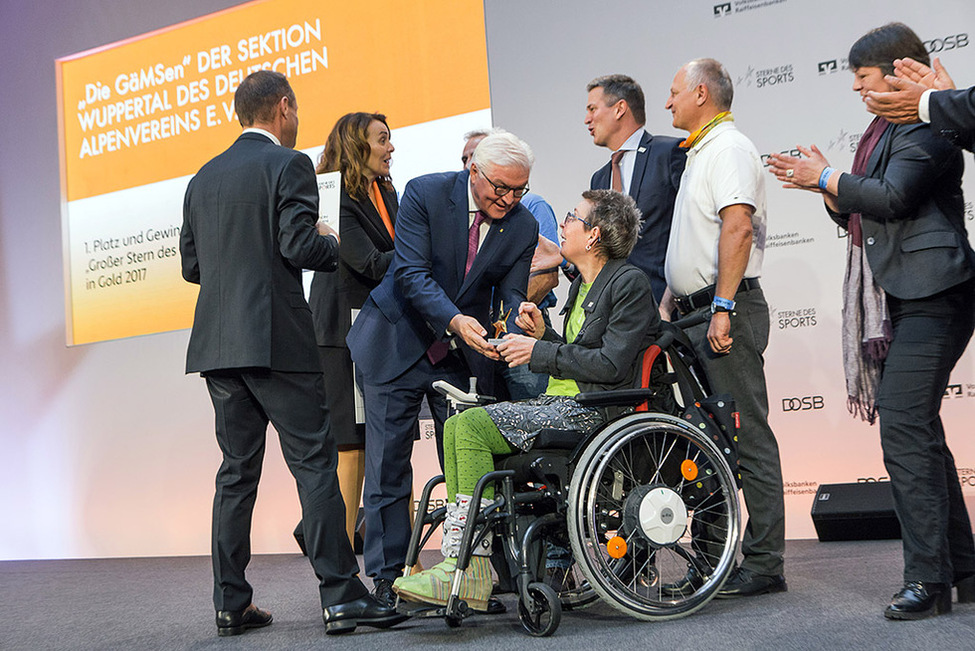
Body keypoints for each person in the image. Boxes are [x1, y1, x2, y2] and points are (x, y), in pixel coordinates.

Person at [179, 70, 403, 636]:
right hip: (277, 339)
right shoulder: (290, 164)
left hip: (217, 346)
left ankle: (231, 602)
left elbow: (191, 267)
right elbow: (299, 247)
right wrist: (329, 240)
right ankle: (341, 594)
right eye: (295, 111)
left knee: (235, 474)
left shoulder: (202, 178)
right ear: (284, 108)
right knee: (314, 464)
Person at [767, 23, 975, 620]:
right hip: (901, 294)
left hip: (938, 291)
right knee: (919, 431)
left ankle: (927, 581)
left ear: (898, 70)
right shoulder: (882, 127)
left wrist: (829, 180)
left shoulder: (929, 122)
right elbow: (868, 207)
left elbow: (893, 198)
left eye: (863, 79)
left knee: (905, 427)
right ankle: (962, 568)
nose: (858, 92)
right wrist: (831, 187)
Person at [392, 189, 659, 610]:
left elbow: (609, 365)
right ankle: (464, 565)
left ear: (593, 236)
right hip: (565, 404)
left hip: (595, 414)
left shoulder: (628, 283)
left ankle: (471, 565)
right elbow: (579, 354)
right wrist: (544, 336)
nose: (565, 222)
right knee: (458, 422)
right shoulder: (583, 288)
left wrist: (539, 352)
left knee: (475, 426)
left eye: (573, 216)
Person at [347, 130, 539, 606]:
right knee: (388, 466)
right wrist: (455, 318)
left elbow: (511, 292)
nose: (510, 199)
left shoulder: (521, 226)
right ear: (474, 172)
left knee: (464, 460)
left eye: (520, 191)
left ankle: (468, 576)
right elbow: (412, 275)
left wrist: (519, 315)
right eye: (501, 188)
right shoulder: (426, 192)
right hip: (397, 340)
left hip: (458, 353)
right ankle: (390, 580)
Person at [660, 58, 786, 598]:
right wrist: (672, 295)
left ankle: (763, 564)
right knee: (708, 445)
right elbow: (700, 235)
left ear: (701, 94)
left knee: (746, 436)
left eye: (673, 93)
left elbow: (736, 226)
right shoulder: (703, 151)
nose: (668, 103)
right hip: (695, 310)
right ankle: (714, 561)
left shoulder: (731, 148)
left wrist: (723, 307)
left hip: (721, 312)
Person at [306, 112, 397, 547]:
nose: (391, 148)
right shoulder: (334, 194)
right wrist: (423, 261)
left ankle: (404, 559)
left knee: (389, 444)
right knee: (350, 445)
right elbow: (372, 263)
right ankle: (340, 567)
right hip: (342, 332)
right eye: (382, 139)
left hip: (382, 330)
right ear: (356, 144)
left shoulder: (387, 191)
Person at [463, 129, 561, 400]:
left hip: (520, 332)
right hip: (481, 337)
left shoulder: (530, 209)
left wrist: (502, 319)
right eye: (466, 159)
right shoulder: (468, 216)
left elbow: (548, 275)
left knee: (532, 412)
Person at [586, 74, 685, 303]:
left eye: (592, 109)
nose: (587, 119)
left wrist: (668, 304)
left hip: (665, 305)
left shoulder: (669, 152)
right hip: (619, 310)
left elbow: (689, 228)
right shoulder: (599, 179)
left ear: (620, 109)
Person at [864, 55, 975, 150]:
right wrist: (945, 105)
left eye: (862, 76)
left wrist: (930, 102)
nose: (855, 86)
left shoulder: (919, 133)